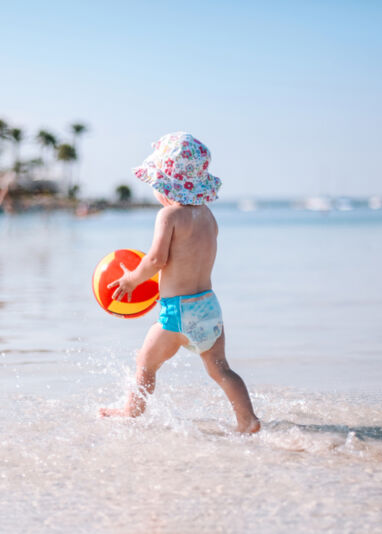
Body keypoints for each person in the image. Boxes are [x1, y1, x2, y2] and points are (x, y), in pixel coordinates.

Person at [99, 132, 261, 434]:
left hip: (177, 312)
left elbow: (156, 260)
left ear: (165, 185)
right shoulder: (208, 216)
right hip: (209, 307)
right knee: (221, 369)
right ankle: (247, 420)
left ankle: (129, 412)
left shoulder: (169, 215)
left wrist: (131, 280)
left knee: (145, 363)